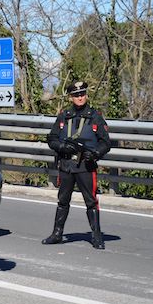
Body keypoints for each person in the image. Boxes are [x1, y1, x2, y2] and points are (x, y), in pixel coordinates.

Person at [44, 80, 111, 249]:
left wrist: (95, 153)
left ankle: (96, 236)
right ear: (70, 97)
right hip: (66, 164)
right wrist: (61, 146)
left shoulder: (95, 116)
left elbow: (106, 143)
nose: (80, 97)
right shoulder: (64, 115)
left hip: (86, 166)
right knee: (63, 200)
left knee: (91, 201)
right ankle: (57, 233)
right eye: (76, 95)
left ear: (86, 95)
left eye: (82, 94)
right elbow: (51, 138)